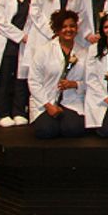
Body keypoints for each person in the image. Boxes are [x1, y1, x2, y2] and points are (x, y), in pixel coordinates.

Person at [28, 10, 87, 139]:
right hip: (47, 101)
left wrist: (75, 84)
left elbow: (90, 81)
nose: (68, 30)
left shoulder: (83, 52)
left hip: (71, 101)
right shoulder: (43, 51)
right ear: (57, 29)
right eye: (64, 27)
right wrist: (48, 106)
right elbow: (33, 81)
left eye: (72, 26)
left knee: (74, 130)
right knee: (46, 131)